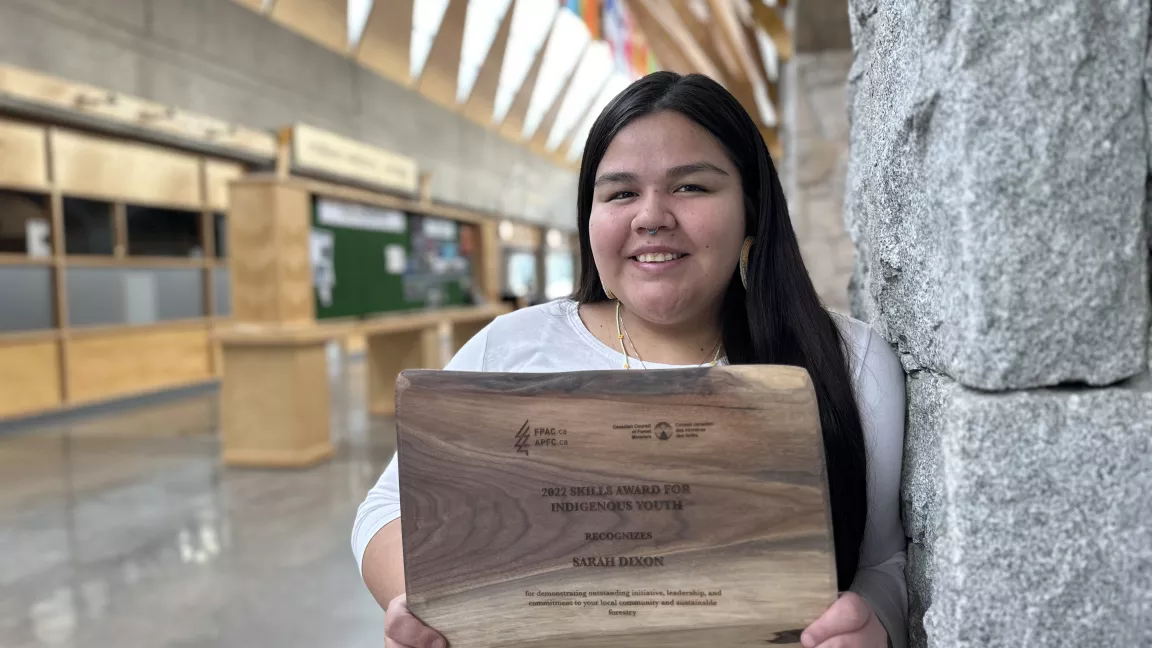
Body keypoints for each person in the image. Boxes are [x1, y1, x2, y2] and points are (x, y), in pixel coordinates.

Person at [353, 71, 908, 648]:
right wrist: (427, 610)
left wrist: (874, 622)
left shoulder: (850, 360)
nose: (652, 216)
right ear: (588, 219)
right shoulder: (508, 350)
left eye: (691, 187)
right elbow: (387, 507)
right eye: (620, 193)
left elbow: (884, 561)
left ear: (752, 206)